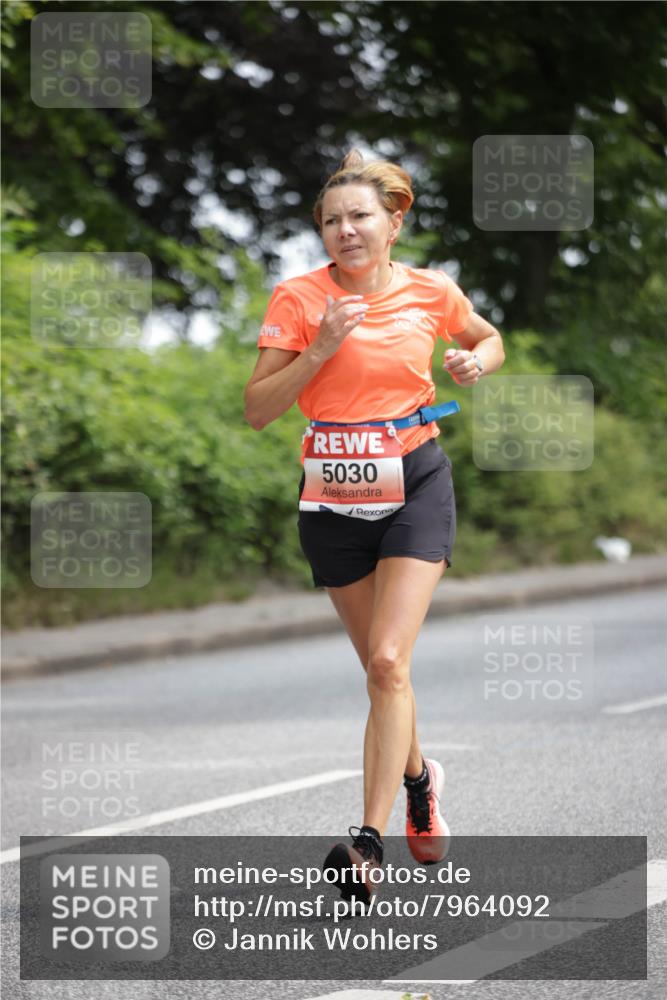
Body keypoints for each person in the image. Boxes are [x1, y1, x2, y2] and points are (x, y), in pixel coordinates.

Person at [244, 149, 505, 905]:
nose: (344, 230)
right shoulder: (297, 299)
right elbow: (258, 411)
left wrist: (476, 363)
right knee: (380, 671)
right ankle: (421, 779)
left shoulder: (431, 290)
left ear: (394, 221)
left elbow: (484, 337)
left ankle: (366, 842)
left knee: (390, 661)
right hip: (330, 495)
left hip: (415, 480)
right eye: (330, 220)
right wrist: (319, 346)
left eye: (359, 216)